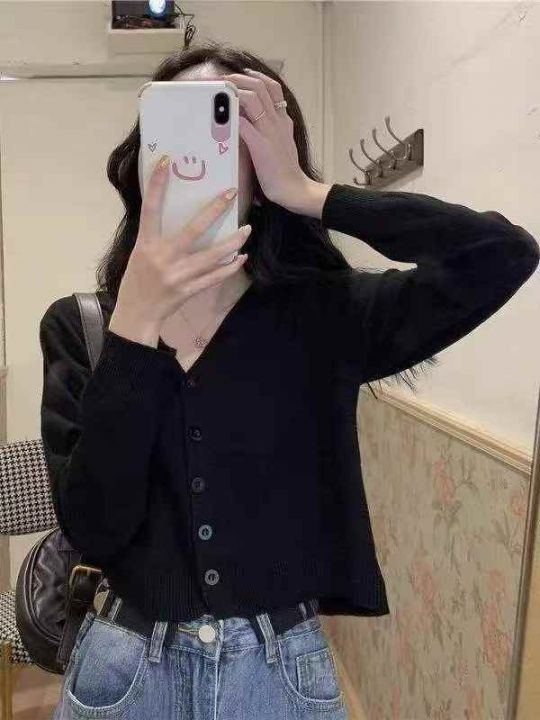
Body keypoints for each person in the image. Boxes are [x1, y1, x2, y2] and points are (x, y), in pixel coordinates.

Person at [42, 44, 539, 720]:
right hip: (124, 670)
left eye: (231, 122)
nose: (198, 152)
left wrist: (311, 195)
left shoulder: (326, 315)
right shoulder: (84, 328)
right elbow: (95, 529)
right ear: (145, 153)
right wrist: (135, 326)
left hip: (278, 675)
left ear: (269, 153)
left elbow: (502, 256)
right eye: (177, 122)